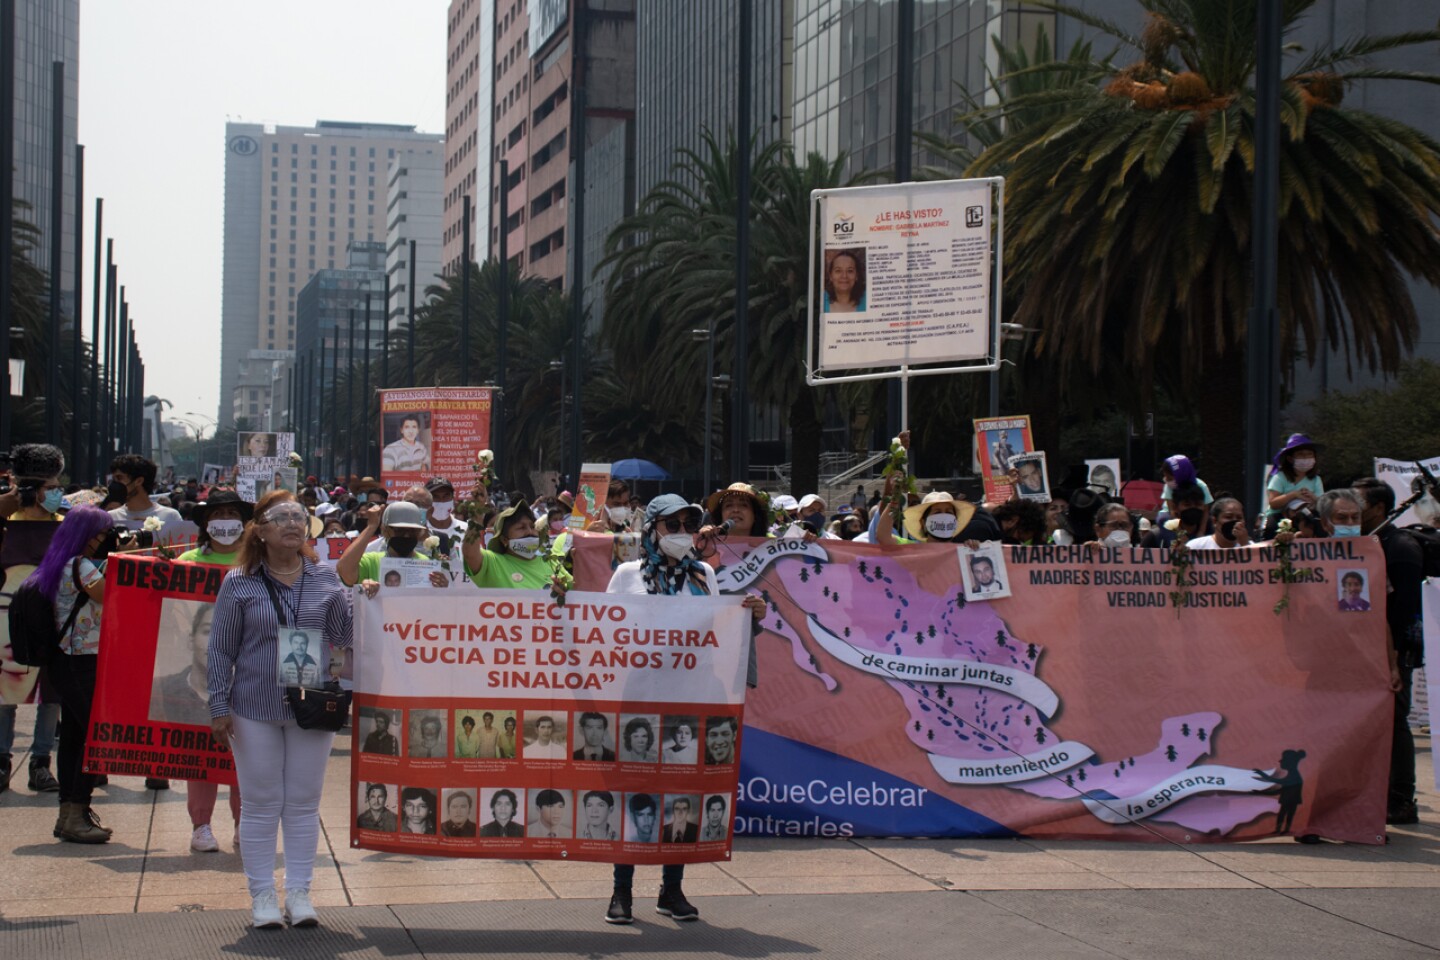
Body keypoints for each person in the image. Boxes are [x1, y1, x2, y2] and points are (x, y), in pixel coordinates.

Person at [604, 493, 765, 924]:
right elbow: (603, 631)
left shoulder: (704, 574)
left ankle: (671, 890)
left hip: (690, 697)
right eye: (669, 525)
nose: (678, 534)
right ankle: (622, 891)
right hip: (638, 697)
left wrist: (750, 615)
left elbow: (717, 628)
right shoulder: (627, 574)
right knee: (634, 791)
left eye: (685, 525)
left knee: (680, 794)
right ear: (651, 528)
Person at [208, 490, 353, 929]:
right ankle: (262, 896)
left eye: (299, 517)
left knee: (304, 803)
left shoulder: (325, 578)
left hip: (310, 704)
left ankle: (301, 892)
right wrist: (218, 705)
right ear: (261, 530)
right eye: (280, 517)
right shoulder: (240, 582)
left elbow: (343, 637)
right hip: (254, 704)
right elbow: (220, 649)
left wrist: (360, 593)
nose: (292, 524)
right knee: (260, 802)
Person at [173, 491, 253, 853]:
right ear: (206, 523)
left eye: (231, 513)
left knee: (247, 752)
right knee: (201, 755)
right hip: (204, 674)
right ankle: (201, 826)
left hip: (250, 667)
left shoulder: (256, 561)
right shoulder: (187, 561)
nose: (224, 520)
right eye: (217, 513)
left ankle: (244, 824)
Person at [29, 505, 114, 843]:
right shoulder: (79, 566)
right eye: (100, 533)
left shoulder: (57, 564)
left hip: (65, 662)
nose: (102, 539)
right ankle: (78, 811)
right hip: (80, 661)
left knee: (75, 738)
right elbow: (108, 594)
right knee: (94, 738)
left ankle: (68, 815)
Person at [1354, 478, 1423, 826]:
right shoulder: (1368, 542)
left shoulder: (1400, 549)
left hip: (1396, 652)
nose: (1353, 510)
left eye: (1359, 502)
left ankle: (1401, 798)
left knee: (1395, 720)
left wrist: (1391, 655)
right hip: (1370, 650)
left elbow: (1404, 610)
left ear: (1379, 508)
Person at [1, 444, 67, 795]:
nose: (47, 492)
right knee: (5, 692)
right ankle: (1, 759)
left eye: (52, 485)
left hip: (53, 618)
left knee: (51, 695)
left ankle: (41, 762)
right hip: (5, 622)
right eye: (39, 485)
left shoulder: (65, 524)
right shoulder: (6, 521)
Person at [462, 502, 556, 590]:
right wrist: (477, 516)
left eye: (532, 526)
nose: (529, 532)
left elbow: (570, 590)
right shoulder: (493, 562)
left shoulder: (550, 562)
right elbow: (470, 554)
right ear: (504, 539)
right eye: (521, 528)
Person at [1265, 434, 1323, 519]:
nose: (1305, 457)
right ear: (1290, 459)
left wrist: (1312, 497)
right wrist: (1293, 495)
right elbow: (1273, 503)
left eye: (1309, 454)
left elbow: (1323, 504)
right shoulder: (1280, 477)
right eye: (1301, 454)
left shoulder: (1316, 480)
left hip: (1305, 516)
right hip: (1279, 517)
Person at [1185, 498, 1250, 550]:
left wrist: (1245, 545)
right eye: (1228, 517)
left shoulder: (1253, 548)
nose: (1234, 521)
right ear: (1214, 521)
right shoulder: (1196, 547)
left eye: (1239, 518)